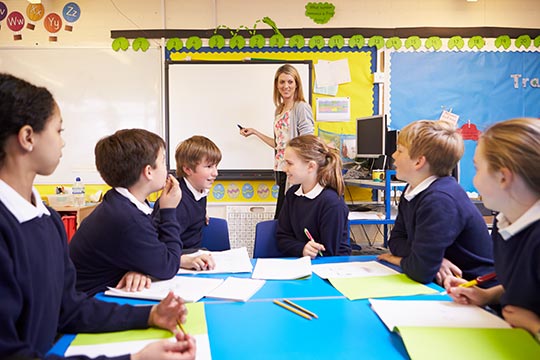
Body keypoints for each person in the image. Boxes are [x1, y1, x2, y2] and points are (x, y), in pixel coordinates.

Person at [0, 73, 195, 359]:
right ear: (28, 137)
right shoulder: (7, 229)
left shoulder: (47, 219)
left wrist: (150, 315)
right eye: (58, 131)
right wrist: (134, 358)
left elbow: (69, 308)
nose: (63, 143)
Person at [446, 118, 540, 338]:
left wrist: (535, 326)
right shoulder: (505, 222)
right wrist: (487, 296)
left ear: (503, 177)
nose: (475, 180)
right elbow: (523, 285)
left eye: (478, 169)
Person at [377, 119, 495, 285]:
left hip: (474, 288)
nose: (393, 155)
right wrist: (434, 260)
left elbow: (421, 271)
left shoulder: (440, 200)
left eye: (399, 150)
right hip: (445, 284)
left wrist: (396, 259)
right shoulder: (412, 190)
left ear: (419, 162)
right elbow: (395, 240)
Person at [69, 129, 183, 296]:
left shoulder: (120, 202)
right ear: (149, 171)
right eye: (163, 161)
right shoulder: (127, 219)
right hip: (87, 305)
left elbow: (152, 245)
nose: (167, 168)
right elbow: (168, 266)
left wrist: (140, 268)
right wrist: (169, 210)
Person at [239, 64, 314, 219]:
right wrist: (254, 131)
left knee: (287, 216)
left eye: (290, 82)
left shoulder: (301, 107)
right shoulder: (279, 110)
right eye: (282, 82)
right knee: (283, 216)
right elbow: (278, 144)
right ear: (276, 85)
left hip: (295, 170)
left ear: (297, 84)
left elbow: (308, 140)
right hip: (281, 168)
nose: (286, 86)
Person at [153, 135, 221, 271]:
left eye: (215, 166)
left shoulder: (199, 190)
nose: (215, 173)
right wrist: (183, 260)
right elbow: (158, 244)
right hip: (178, 261)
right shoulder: (176, 199)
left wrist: (201, 213)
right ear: (188, 169)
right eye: (208, 167)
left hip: (193, 253)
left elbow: (191, 208)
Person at [276, 135, 351, 258]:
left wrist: (308, 251)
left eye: (289, 163)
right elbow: (282, 237)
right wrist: (302, 249)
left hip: (330, 267)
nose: (284, 169)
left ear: (311, 166)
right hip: (302, 263)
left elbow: (329, 253)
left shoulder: (332, 203)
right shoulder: (292, 194)